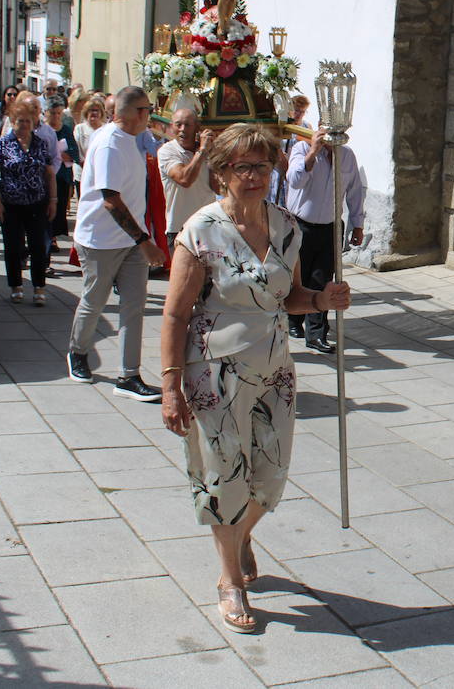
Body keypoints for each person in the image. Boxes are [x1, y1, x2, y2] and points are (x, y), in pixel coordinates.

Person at [160, 122, 350, 634]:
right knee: (225, 479)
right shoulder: (201, 230)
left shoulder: (287, 227)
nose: (254, 175)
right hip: (214, 376)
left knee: (271, 477)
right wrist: (170, 385)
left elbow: (289, 298)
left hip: (275, 373)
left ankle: (241, 533)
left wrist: (321, 300)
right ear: (220, 173)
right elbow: (175, 315)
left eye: (262, 165)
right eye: (242, 167)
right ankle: (230, 581)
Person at [67, 85, 166, 401]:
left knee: (133, 307)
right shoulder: (110, 143)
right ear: (136, 113)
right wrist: (145, 240)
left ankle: (129, 375)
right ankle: (78, 352)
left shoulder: (132, 140)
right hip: (101, 241)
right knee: (95, 299)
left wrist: (141, 239)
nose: (150, 115)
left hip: (132, 241)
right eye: (147, 109)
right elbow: (110, 200)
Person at [285, 128, 365, 352]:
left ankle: (316, 334)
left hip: (330, 226)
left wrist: (357, 224)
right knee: (298, 277)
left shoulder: (347, 155)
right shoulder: (302, 149)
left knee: (322, 279)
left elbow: (354, 191)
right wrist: (313, 151)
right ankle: (293, 320)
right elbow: (294, 180)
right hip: (300, 224)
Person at [0, 97, 56, 305]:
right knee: (13, 247)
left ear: (34, 122)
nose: (24, 125)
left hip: (36, 203)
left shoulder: (40, 144)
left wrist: (53, 200)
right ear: (13, 121)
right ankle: (16, 285)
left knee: (38, 247)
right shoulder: (3, 144)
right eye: (20, 121)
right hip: (11, 204)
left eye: (28, 121)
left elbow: (49, 174)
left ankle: (39, 287)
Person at [158, 108, 217, 254]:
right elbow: (184, 179)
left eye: (188, 125)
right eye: (178, 125)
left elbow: (218, 187)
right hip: (180, 228)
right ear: (172, 126)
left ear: (197, 127)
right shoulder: (167, 151)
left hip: (208, 226)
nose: (182, 129)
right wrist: (202, 151)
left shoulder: (206, 151)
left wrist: (214, 156)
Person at [44, 94, 80, 259]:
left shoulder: (65, 130)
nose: (56, 116)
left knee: (59, 210)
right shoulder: (42, 130)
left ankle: (54, 237)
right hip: (45, 176)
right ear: (46, 113)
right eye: (53, 113)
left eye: (59, 113)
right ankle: (47, 237)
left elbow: (73, 152)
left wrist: (65, 154)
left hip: (62, 175)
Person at [269, 94, 312, 205]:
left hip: (296, 168)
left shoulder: (307, 127)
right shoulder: (282, 125)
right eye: (297, 110)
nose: (299, 114)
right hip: (280, 168)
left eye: (303, 111)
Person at [73, 94, 106, 194]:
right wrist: (86, 165)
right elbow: (76, 149)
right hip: (82, 172)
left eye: (97, 110)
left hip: (101, 173)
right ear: (86, 112)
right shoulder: (80, 128)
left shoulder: (106, 129)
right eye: (91, 110)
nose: (94, 113)